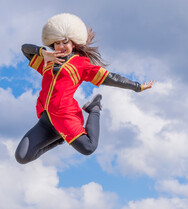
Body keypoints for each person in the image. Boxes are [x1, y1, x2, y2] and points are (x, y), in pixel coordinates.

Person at [15, 13, 154, 164]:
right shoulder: (46, 62)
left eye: (65, 42)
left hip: (64, 118)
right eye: (57, 43)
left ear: (73, 43)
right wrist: (43, 52)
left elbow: (111, 78)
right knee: (22, 157)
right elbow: (25, 49)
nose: (60, 47)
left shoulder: (80, 64)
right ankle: (61, 137)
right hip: (46, 121)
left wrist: (137, 87)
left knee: (88, 147)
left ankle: (94, 108)